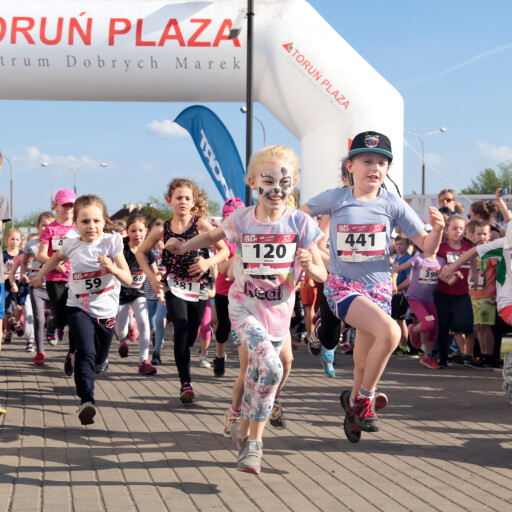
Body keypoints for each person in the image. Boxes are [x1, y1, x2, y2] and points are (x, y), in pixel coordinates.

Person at [166, 146, 326, 474]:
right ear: (253, 182)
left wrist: (311, 266)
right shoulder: (242, 218)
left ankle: (241, 428)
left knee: (258, 375)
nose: (276, 189)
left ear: (294, 183)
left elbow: (323, 274)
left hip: (278, 315)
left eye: (284, 182)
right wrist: (183, 246)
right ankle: (255, 443)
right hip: (244, 308)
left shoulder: (300, 222)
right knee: (271, 368)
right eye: (268, 181)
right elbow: (211, 236)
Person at [301, 131, 444, 444]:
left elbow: (427, 246)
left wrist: (439, 229)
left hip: (378, 291)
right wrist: (309, 247)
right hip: (342, 287)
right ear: (351, 166)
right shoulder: (336, 198)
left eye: (382, 162)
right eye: (367, 161)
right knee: (391, 333)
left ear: (388, 169)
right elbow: (300, 216)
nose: (375, 167)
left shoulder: (393, 204)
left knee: (363, 363)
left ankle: (353, 404)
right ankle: (366, 399)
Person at [32, 194, 131, 425]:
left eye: (96, 221)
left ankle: (100, 362)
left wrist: (113, 269)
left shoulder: (112, 242)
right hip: (78, 306)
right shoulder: (71, 243)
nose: (91, 226)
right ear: (76, 223)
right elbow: (55, 258)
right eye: (85, 221)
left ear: (103, 221)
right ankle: (87, 401)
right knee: (85, 352)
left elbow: (127, 278)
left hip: (106, 309)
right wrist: (40, 275)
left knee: (99, 359)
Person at [136, 179, 229, 404]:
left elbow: (224, 251)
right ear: (169, 201)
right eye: (178, 198)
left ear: (193, 202)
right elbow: (141, 253)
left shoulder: (202, 225)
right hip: (174, 285)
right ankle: (185, 383)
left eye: (187, 198)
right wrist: (152, 277)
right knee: (181, 327)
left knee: (191, 332)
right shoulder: (162, 229)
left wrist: (207, 263)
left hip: (199, 287)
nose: (183, 202)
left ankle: (187, 341)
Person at [38, 188, 79, 376]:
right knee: (62, 319)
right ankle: (52, 324)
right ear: (55, 206)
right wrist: (54, 263)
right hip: (56, 280)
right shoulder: (51, 229)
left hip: (77, 279)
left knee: (75, 320)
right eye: (65, 205)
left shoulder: (79, 228)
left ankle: (72, 354)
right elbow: (40, 255)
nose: (68, 209)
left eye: (71, 205)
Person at [115, 214, 158, 375]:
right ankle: (122, 341)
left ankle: (143, 361)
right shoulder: (122, 251)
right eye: (133, 231)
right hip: (121, 294)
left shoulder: (148, 252)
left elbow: (155, 274)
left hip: (138, 293)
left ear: (146, 231)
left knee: (144, 322)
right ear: (127, 232)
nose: (137, 234)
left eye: (140, 230)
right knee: (121, 329)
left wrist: (160, 288)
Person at [9, 213, 55, 363]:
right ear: (38, 226)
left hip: (54, 285)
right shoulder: (31, 244)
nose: (46, 228)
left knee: (56, 316)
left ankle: (52, 328)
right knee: (38, 318)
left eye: (50, 225)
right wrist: (24, 274)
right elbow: (24, 263)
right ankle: (40, 352)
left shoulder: (58, 243)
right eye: (43, 225)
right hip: (36, 285)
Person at [434, 214, 474, 367]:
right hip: (442, 292)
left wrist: (475, 277)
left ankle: (465, 353)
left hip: (462, 293)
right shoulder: (441, 248)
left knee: (465, 324)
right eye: (455, 228)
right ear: (447, 230)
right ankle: (443, 358)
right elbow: (438, 268)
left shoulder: (468, 246)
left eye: (462, 228)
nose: (459, 231)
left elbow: (474, 260)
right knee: (442, 326)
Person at [464, 220, 497, 369]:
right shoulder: (472, 252)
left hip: (487, 294)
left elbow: (499, 273)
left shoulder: (492, 253)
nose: (482, 237)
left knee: (485, 326)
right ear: (472, 235)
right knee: (479, 327)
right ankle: (482, 355)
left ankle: (488, 356)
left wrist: (498, 293)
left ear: (489, 235)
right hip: (474, 295)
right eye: (479, 234)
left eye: (485, 234)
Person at [3, 228, 27, 342]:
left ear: (20, 241)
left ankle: (16, 322)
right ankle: (8, 332)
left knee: (19, 307)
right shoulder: (3, 255)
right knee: (7, 312)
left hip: (19, 285)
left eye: (17, 239)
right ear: (7, 240)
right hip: (6, 286)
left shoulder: (23, 254)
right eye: (12, 239)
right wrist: (6, 275)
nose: (14, 242)